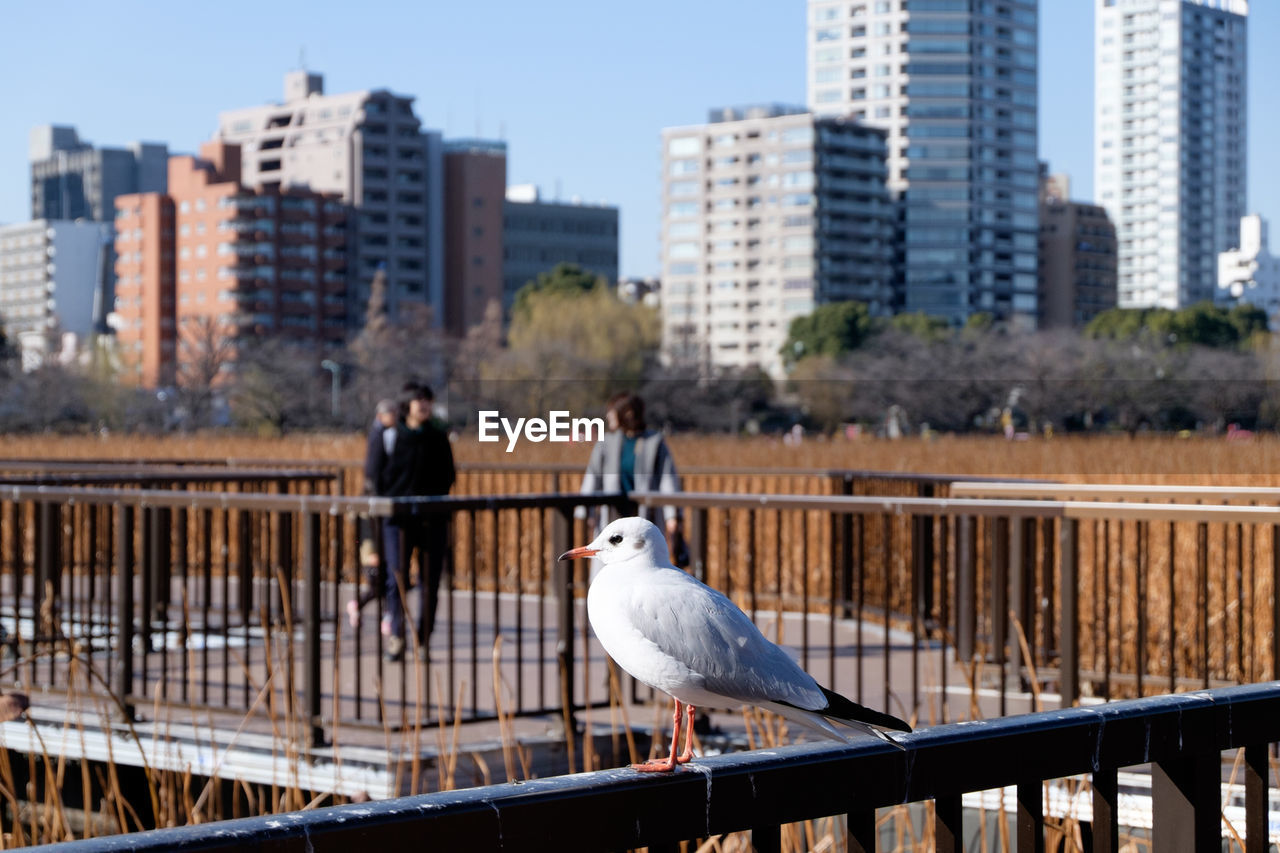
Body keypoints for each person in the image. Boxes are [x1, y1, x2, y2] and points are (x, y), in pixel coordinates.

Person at [378, 384, 456, 662]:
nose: (424, 405)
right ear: (407, 404)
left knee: (430, 582)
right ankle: (397, 635)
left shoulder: (438, 436)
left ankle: (423, 640)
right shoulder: (390, 435)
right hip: (397, 518)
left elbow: (448, 475)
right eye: (418, 400)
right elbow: (376, 476)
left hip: (433, 517)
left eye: (428, 400)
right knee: (396, 577)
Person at [578, 392, 685, 564]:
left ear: (627, 413)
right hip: (613, 511)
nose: (608, 416)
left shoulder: (654, 442)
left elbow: (667, 479)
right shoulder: (606, 442)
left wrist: (672, 516)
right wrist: (586, 511)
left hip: (645, 513)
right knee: (609, 557)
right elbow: (593, 476)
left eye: (613, 411)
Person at [347, 398, 398, 629]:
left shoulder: (382, 435)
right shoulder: (379, 437)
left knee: (382, 574)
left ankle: (383, 613)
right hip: (371, 520)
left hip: (374, 515)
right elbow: (373, 470)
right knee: (377, 572)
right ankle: (383, 613)